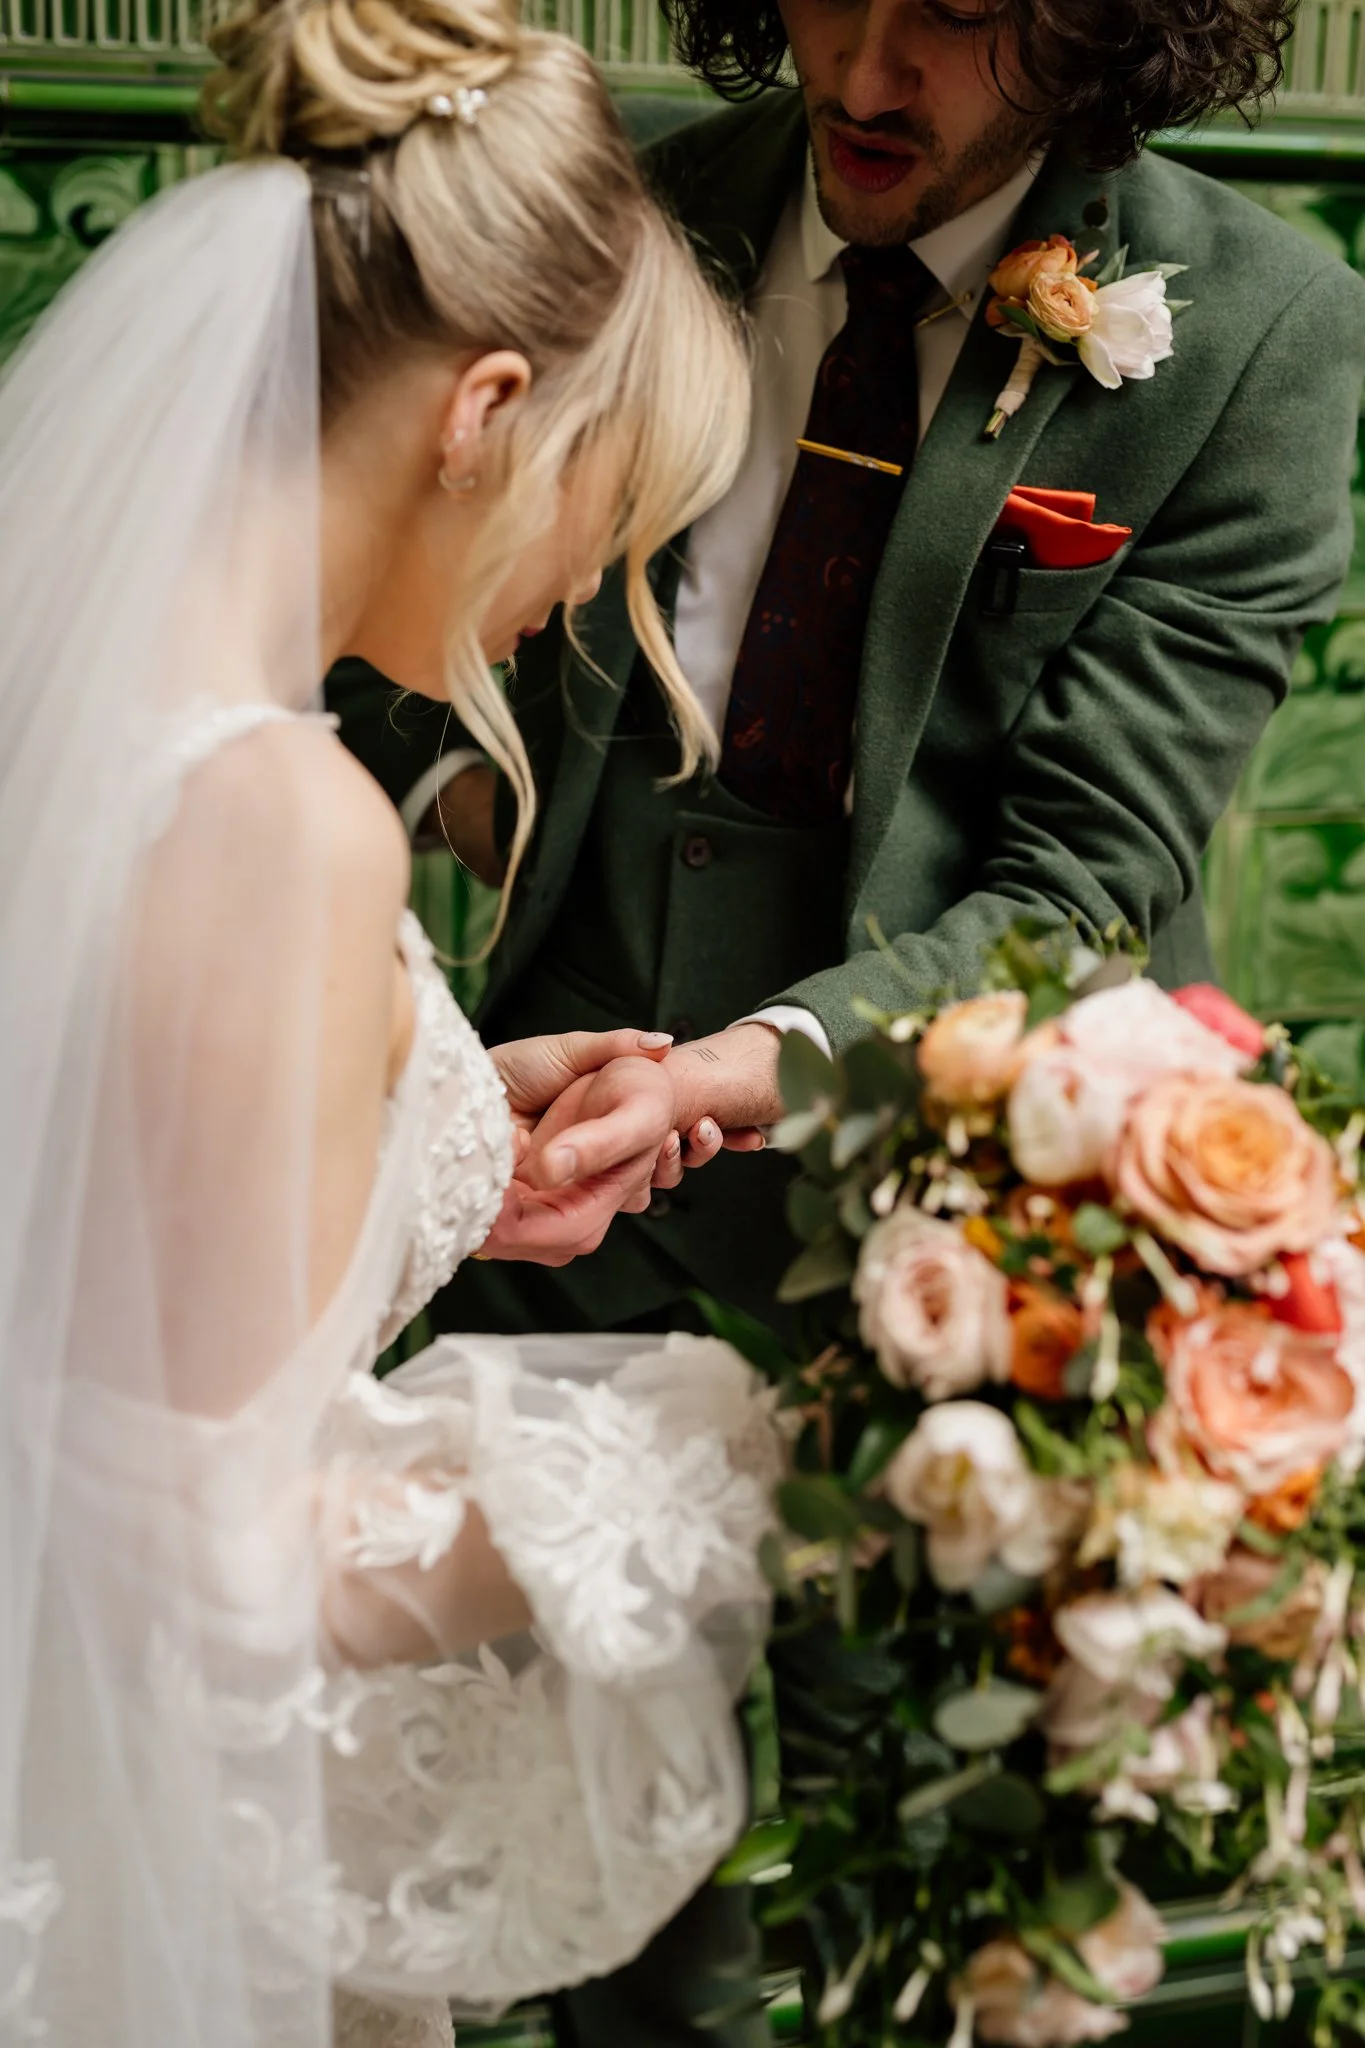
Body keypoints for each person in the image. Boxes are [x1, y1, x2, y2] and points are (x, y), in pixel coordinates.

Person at [331, 0, 1365, 2038]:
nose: (870, 73)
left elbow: (1083, 879)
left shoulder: (1257, 326)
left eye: (959, 14)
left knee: (919, 1884)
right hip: (547, 1180)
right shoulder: (620, 204)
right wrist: (458, 805)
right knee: (576, 1886)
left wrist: (763, 1067)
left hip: (951, 1238)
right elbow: (379, 564)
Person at [0, 2, 788, 2044]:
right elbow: (220, 1565)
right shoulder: (284, 817)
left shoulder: (83, 702)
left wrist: (432, 1133)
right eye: (608, 502)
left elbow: (92, 1253)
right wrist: (747, 1478)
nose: (585, 589)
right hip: (144, 1860)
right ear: (486, 411)